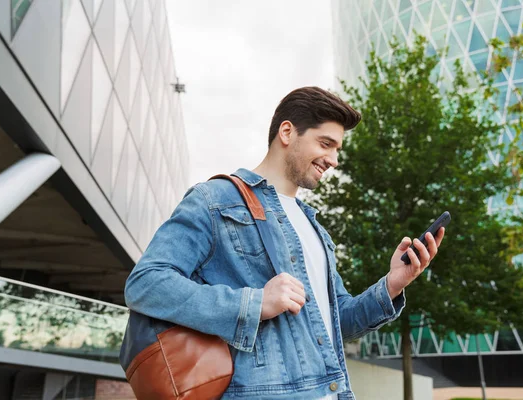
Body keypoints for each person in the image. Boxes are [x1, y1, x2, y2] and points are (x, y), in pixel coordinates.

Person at [123, 86, 445, 399]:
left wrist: (391, 285)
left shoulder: (316, 229)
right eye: (325, 143)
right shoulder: (215, 200)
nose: (333, 160)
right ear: (287, 132)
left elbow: (337, 322)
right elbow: (146, 284)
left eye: (337, 150)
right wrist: (255, 303)